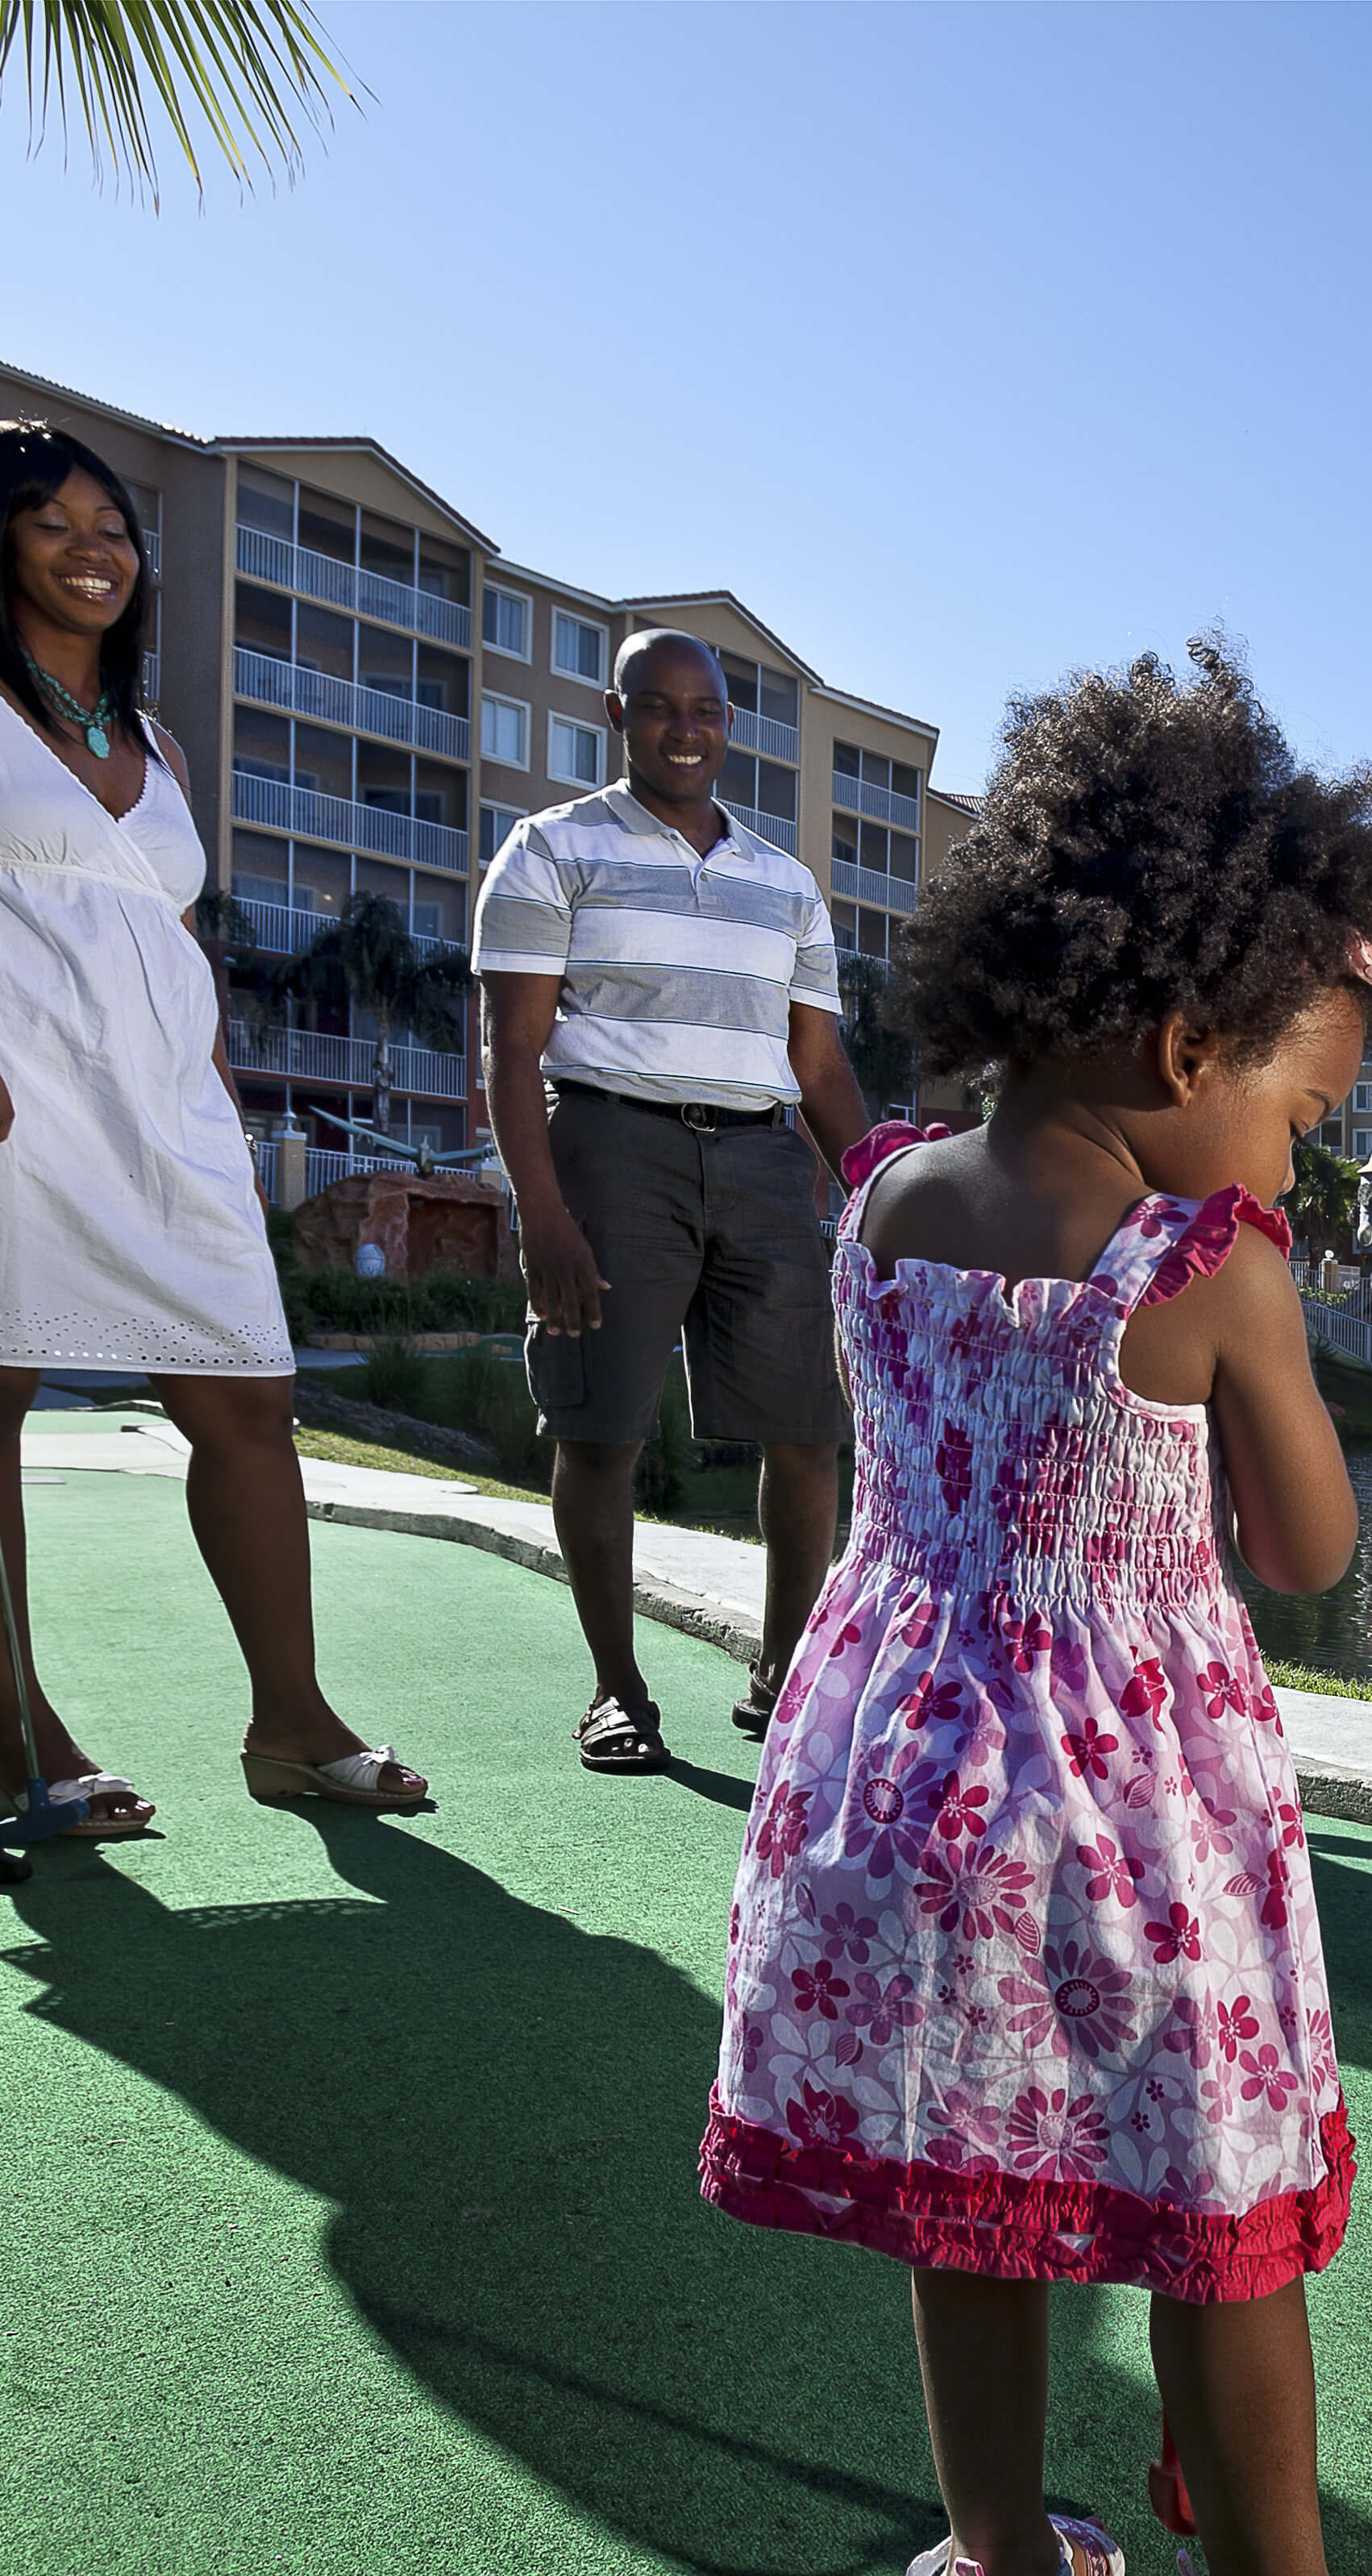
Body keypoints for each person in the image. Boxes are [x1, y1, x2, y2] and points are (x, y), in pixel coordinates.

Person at [695, 640, 1372, 2576]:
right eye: (1295, 1105)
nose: (1295, 1148)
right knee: (1212, 2223)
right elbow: (1315, 1544)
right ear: (1181, 1046)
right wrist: (1280, 1324)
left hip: (893, 1775)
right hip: (1123, 1818)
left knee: (970, 2204)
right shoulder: (1202, 1265)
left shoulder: (875, 1198)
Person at [0, 420, 428, 1827]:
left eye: (113, 523)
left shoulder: (151, 739)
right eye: (52, 521)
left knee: (246, 1396)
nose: (93, 548)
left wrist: (211, 1080)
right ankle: (23, 1737)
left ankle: (291, 1722)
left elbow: (158, 925)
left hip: (157, 1102)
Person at [475, 631, 871, 1777]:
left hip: (760, 1164)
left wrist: (890, 1185)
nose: (684, 728)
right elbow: (513, 1054)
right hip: (609, 1151)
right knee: (600, 1431)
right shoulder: (553, 849)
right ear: (618, 714)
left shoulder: (784, 883)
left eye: (705, 709)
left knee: (808, 1434)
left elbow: (821, 1068)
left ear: (730, 722)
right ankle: (617, 1691)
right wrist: (541, 1217)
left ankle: (785, 1679)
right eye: (659, 707)